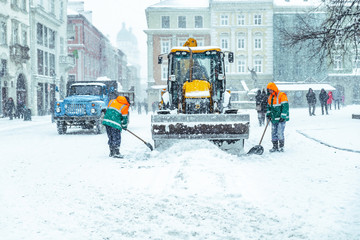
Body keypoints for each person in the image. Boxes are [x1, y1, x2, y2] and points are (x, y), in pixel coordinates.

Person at [266, 82, 289, 152]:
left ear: (273, 89)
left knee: (279, 132)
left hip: (281, 118)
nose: (269, 91)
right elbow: (269, 107)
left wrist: (283, 116)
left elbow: (285, 106)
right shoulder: (270, 97)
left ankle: (281, 146)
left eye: (270, 90)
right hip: (274, 118)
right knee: (273, 132)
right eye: (268, 90)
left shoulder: (281, 95)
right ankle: (275, 146)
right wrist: (268, 114)